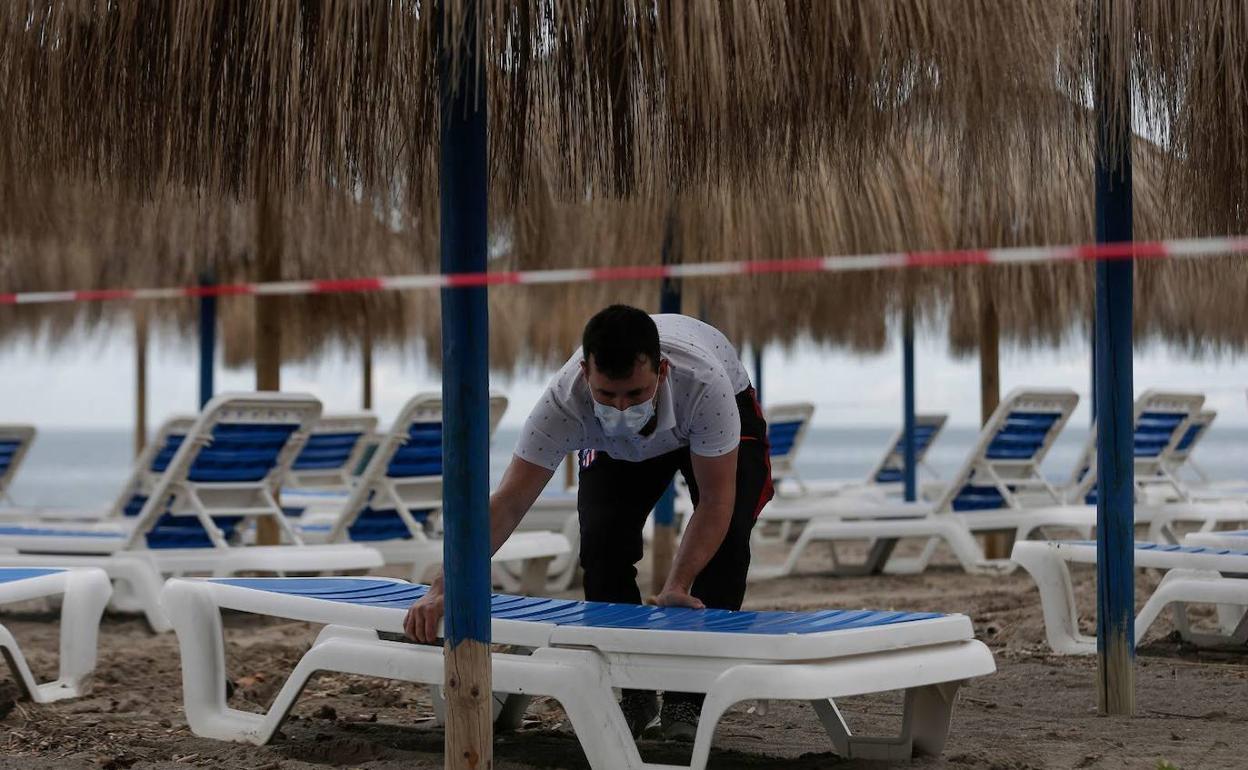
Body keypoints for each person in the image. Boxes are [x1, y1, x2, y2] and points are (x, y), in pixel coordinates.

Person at [404, 304, 773, 741]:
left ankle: (688, 700)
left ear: (663, 371)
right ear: (585, 373)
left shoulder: (704, 387)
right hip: (615, 451)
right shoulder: (564, 401)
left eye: (635, 395)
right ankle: (633, 694)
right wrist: (444, 586)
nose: (620, 409)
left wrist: (678, 584)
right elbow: (507, 503)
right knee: (601, 543)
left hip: (715, 409)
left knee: (728, 543)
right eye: (607, 395)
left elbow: (715, 503)